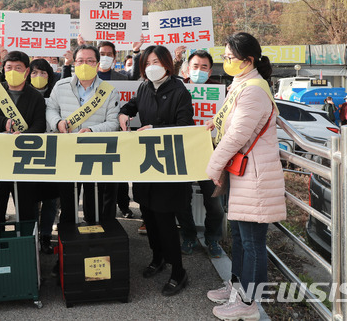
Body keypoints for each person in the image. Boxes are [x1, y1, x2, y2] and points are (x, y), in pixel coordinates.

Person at [205, 32, 285, 320]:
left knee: (252, 242)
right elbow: (230, 124)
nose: (225, 62)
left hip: (255, 175)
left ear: (248, 60)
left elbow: (239, 133)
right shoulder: (242, 84)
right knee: (239, 236)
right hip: (244, 173)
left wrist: (214, 166)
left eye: (229, 58)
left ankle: (250, 304)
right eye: (224, 57)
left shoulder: (252, 89)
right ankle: (237, 287)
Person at [117, 45, 192, 297]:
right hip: (146, 163)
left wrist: (155, 131)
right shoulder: (144, 86)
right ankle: (157, 257)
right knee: (148, 213)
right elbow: (134, 105)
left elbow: (184, 127)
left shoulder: (179, 90)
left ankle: (178, 271)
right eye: (147, 62)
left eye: (157, 61)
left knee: (164, 219)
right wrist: (124, 113)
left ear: (168, 64)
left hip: (168, 165)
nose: (152, 66)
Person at [47, 45, 121, 225]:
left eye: (90, 61)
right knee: (67, 199)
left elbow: (114, 122)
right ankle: (69, 235)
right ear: (73, 63)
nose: (85, 64)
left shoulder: (109, 91)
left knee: (93, 200)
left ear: (97, 64)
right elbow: (50, 108)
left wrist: (92, 131)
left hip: (95, 153)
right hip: (67, 152)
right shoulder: (61, 86)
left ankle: (94, 237)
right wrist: (57, 122)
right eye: (80, 61)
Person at [0, 50, 47, 224]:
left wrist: (23, 136)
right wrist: (1, 122)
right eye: (9, 67)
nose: (13, 71)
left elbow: (40, 125)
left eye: (18, 68)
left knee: (26, 210)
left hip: (25, 160)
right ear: (4, 70)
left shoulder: (35, 97)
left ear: (27, 71)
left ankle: (25, 246)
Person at [176, 50, 225, 258]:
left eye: (204, 67)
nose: (199, 70)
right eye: (195, 66)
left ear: (210, 70)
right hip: (183, 152)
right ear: (187, 68)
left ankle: (212, 239)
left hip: (211, 152)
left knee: (214, 202)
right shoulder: (178, 88)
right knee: (181, 200)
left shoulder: (221, 91)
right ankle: (188, 236)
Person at [28, 58, 60, 254]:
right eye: (33, 73)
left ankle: (46, 236)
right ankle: (32, 237)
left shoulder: (57, 95)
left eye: (43, 73)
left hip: (52, 155)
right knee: (30, 201)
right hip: (29, 155)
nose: (38, 77)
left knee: (50, 200)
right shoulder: (22, 95)